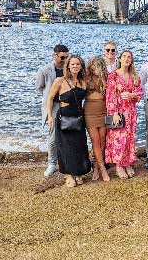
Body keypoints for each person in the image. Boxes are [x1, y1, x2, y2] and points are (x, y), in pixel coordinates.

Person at [46, 55, 91, 188]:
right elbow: (50, 99)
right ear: (68, 66)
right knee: (65, 147)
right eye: (72, 64)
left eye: (78, 64)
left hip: (79, 117)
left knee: (79, 145)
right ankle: (68, 175)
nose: (75, 66)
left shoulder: (84, 81)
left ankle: (78, 172)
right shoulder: (60, 81)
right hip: (64, 116)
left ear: (81, 66)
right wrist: (49, 116)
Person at [105, 50, 143, 180]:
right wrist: (114, 113)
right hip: (118, 112)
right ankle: (119, 165)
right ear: (120, 59)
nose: (127, 59)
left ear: (131, 61)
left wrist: (131, 95)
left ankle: (127, 163)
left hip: (131, 112)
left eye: (129, 57)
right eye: (124, 57)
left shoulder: (135, 77)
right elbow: (110, 96)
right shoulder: (113, 76)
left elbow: (139, 94)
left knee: (129, 138)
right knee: (118, 139)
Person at [35, 44, 69, 177]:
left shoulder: (69, 69)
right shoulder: (44, 70)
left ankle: (65, 161)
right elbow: (39, 88)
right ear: (55, 55)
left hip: (67, 105)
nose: (65, 60)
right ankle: (51, 163)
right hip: (53, 106)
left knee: (68, 133)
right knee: (53, 136)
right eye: (62, 57)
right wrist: (49, 98)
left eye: (67, 57)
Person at [84, 56, 110, 182]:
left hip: (104, 111)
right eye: (92, 65)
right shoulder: (85, 77)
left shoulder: (106, 77)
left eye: (96, 66)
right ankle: (102, 168)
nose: (94, 68)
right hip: (90, 112)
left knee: (103, 139)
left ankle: (96, 165)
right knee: (95, 140)